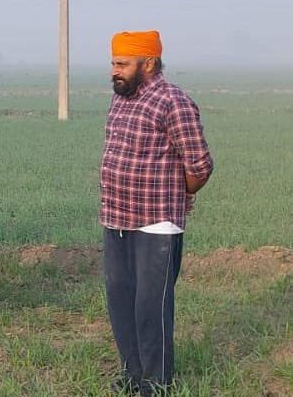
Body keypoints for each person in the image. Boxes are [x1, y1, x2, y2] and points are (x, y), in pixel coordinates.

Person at [100, 30, 213, 395]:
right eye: (113, 63)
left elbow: (200, 164)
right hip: (116, 218)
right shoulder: (122, 99)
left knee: (151, 306)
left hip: (156, 224)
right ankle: (133, 376)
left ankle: (156, 383)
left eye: (122, 64)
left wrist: (180, 195)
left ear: (148, 64)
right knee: (121, 302)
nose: (114, 71)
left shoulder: (172, 101)